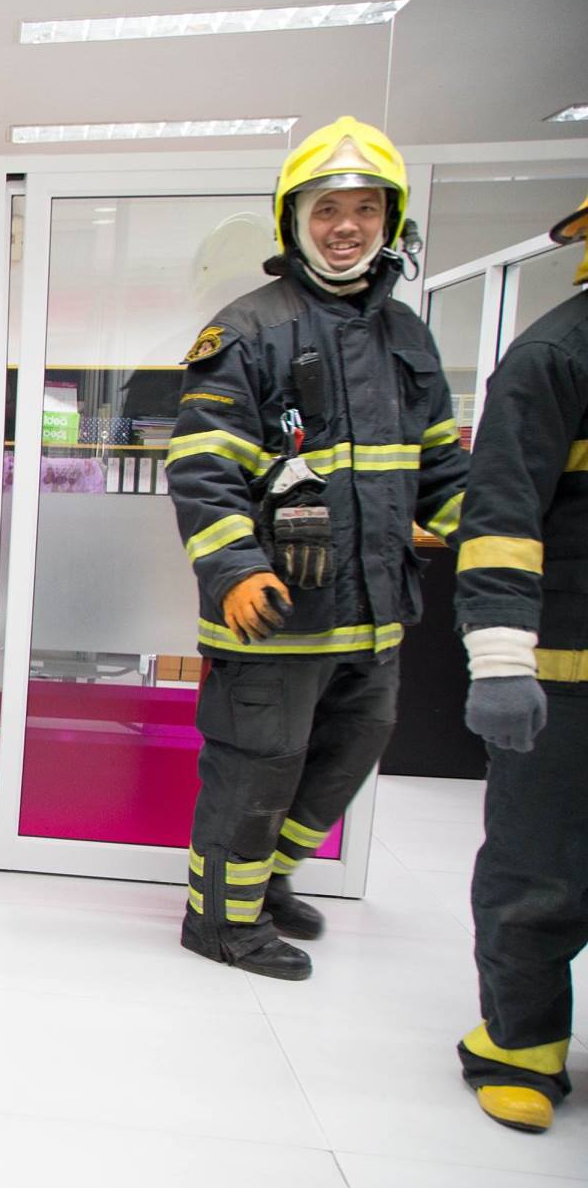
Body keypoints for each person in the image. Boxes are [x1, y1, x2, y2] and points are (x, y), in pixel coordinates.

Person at [167, 116, 469, 981]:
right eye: (328, 208)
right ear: (294, 220)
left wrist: (483, 534)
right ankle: (220, 920)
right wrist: (235, 567)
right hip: (274, 612)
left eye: (366, 208)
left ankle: (267, 881)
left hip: (372, 613)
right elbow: (202, 466)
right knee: (256, 768)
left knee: (349, 753)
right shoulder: (248, 329)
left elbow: (441, 465)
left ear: (390, 220)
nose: (347, 226)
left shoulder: (408, 335)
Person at [452, 191, 588, 1134]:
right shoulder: (555, 354)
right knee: (542, 867)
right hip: (568, 675)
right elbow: (500, 516)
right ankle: (521, 1043)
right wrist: (501, 659)